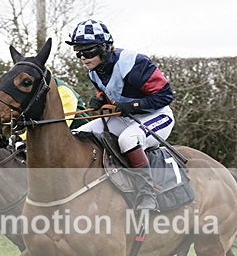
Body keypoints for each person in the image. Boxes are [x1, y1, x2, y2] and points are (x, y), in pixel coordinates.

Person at [65, 19, 175, 211]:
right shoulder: (93, 71)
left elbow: (166, 95)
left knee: (128, 140)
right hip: (126, 118)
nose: (83, 57)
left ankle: (147, 193)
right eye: (78, 52)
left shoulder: (135, 64)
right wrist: (101, 100)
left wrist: (133, 105)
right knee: (78, 134)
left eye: (88, 51)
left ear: (105, 48)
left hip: (158, 116)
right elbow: (109, 92)